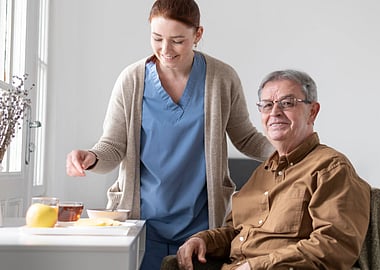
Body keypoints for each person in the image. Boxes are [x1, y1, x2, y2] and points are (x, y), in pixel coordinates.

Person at [65, 1, 273, 269]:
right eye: (157, 38)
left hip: (201, 228)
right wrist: (91, 157)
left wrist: (290, 152)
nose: (165, 49)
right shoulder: (131, 80)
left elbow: (245, 137)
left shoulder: (222, 78)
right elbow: (113, 146)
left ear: (198, 35)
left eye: (177, 41)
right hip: (141, 225)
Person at [176, 70, 371, 270]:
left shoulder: (331, 168)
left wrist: (256, 266)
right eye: (267, 105)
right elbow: (236, 232)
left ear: (312, 111)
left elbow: (334, 246)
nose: (275, 112)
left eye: (287, 103)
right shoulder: (261, 173)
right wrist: (203, 240)